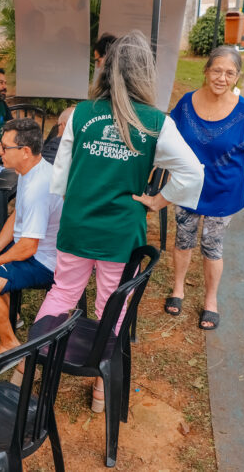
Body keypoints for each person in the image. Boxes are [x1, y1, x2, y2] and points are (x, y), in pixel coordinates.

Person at [30, 31, 205, 411]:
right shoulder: (156, 122)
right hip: (121, 230)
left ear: (105, 69)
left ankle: (35, 361)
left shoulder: (80, 113)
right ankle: (99, 387)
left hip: (78, 223)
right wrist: (158, 201)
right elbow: (193, 172)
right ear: (146, 73)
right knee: (111, 302)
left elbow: (60, 176)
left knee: (63, 292)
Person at [165, 46, 244, 331]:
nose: (222, 78)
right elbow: (168, 141)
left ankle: (211, 301)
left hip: (224, 191)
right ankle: (178, 289)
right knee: (183, 240)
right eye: (217, 70)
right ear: (206, 71)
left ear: (237, 77)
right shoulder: (185, 104)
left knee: (212, 245)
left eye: (230, 73)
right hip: (187, 188)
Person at [0, 118, 63, 358]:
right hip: (29, 245)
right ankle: (11, 312)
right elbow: (17, 215)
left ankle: (10, 343)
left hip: (44, 261)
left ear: (25, 151)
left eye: (4, 147)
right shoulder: (28, 169)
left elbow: (27, 248)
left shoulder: (38, 188)